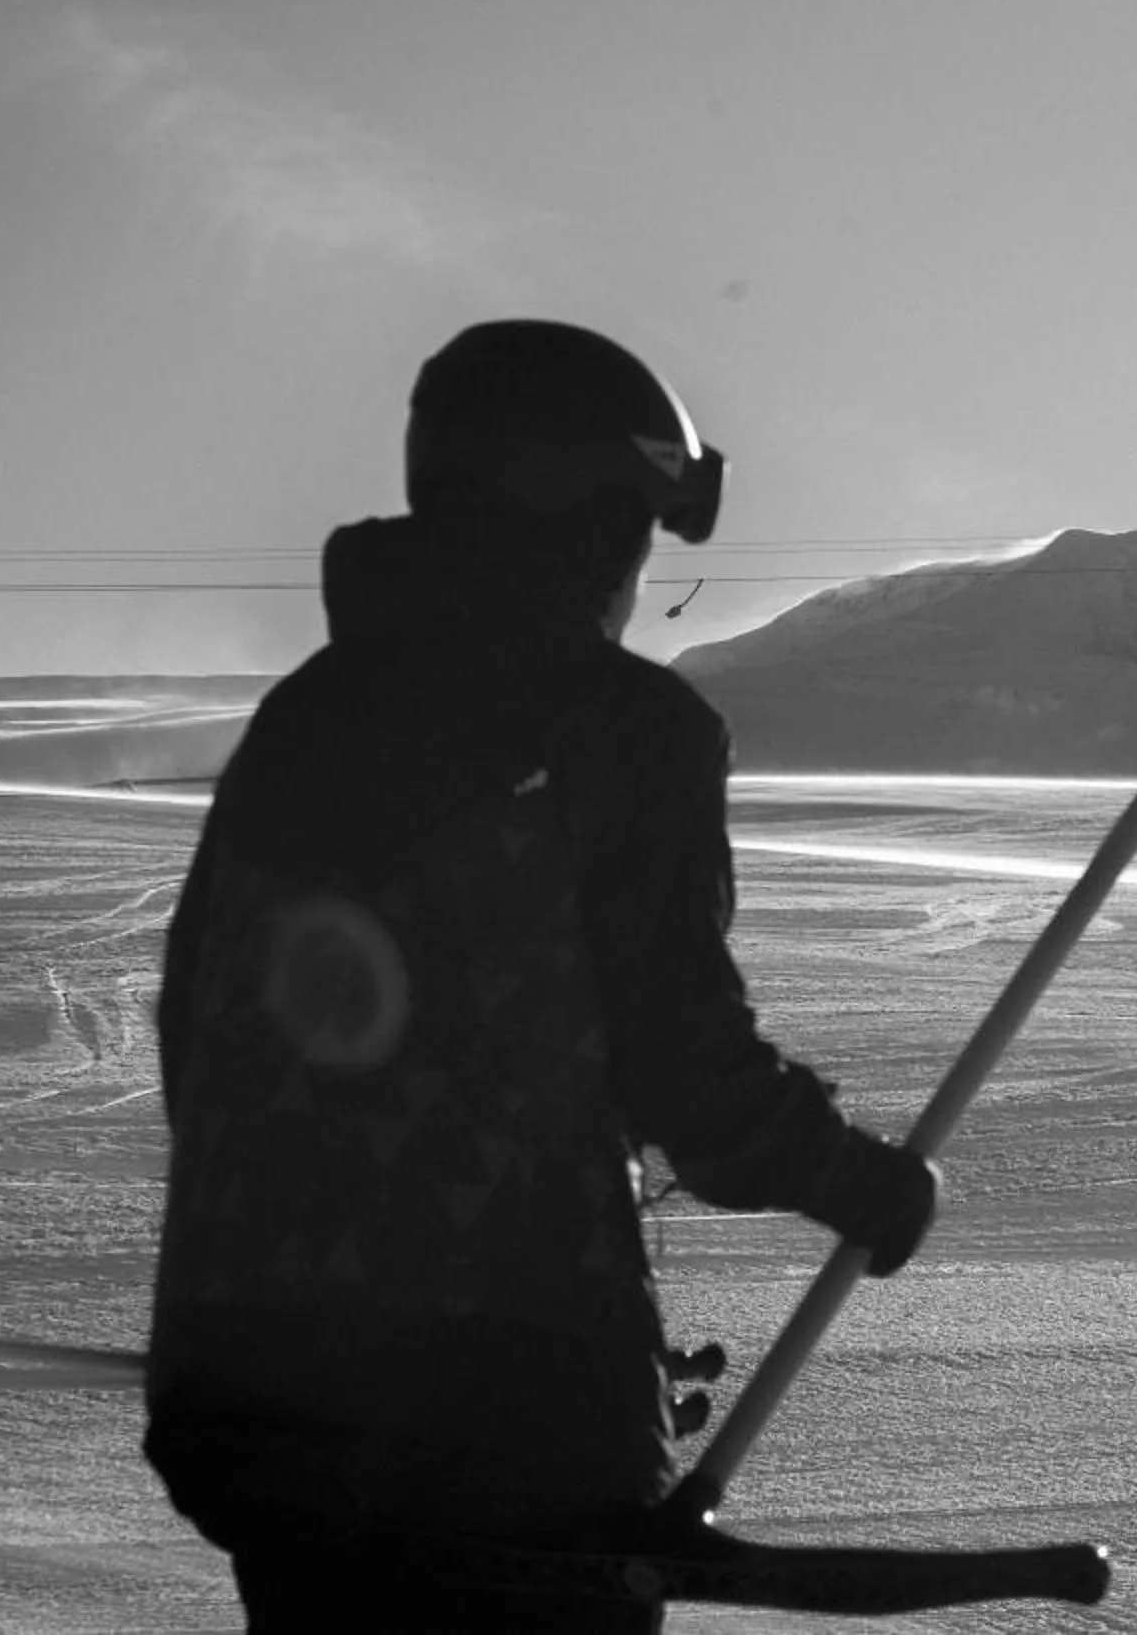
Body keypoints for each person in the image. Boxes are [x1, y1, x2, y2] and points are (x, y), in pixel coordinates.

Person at [144, 319, 940, 1632]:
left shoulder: (307, 716)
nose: (638, 571)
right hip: (500, 1416)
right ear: (582, 520)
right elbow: (686, 1068)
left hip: (247, 1399)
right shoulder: (624, 727)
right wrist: (868, 1184)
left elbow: (202, 1034)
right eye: (637, 522)